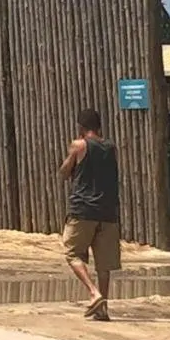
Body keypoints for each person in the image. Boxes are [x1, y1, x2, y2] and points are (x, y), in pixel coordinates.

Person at [59, 107, 120, 322]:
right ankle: (103, 309)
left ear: (81, 127)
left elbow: (64, 172)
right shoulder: (111, 147)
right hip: (108, 212)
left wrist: (71, 159)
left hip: (83, 210)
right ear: (99, 126)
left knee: (72, 253)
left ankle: (94, 293)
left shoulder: (79, 145)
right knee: (103, 265)